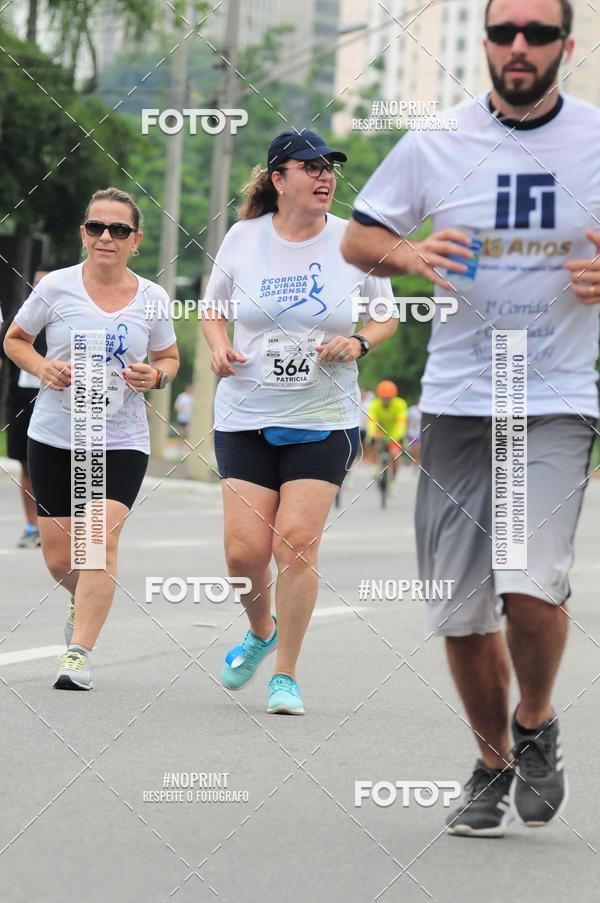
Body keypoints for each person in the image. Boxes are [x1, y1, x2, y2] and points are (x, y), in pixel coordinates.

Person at [342, 0, 598, 836]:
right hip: (456, 401)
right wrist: (410, 253)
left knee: (527, 587)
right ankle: (493, 760)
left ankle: (536, 724)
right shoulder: (435, 141)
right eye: (503, 32)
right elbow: (359, 238)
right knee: (459, 609)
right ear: (485, 44)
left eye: (536, 33)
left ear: (566, 43)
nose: (518, 47)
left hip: (551, 397)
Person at [202, 129, 397, 715]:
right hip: (246, 412)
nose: (324, 176)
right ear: (278, 179)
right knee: (242, 553)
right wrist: (217, 346)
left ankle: (285, 673)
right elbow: (213, 309)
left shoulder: (353, 242)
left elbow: (385, 316)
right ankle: (260, 631)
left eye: (330, 167)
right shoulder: (243, 238)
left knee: (297, 541)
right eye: (309, 167)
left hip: (324, 415)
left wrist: (359, 342)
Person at [4, 187, 179, 690]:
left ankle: (78, 653)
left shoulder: (152, 298)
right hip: (58, 435)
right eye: (96, 227)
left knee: (96, 541)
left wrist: (157, 376)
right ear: (84, 234)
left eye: (118, 230)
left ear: (135, 240)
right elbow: (15, 340)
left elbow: (170, 358)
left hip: (121, 438)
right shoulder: (55, 288)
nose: (106, 236)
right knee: (62, 558)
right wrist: (43, 367)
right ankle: (80, 600)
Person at [0, 264, 52, 548]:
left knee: (63, 465)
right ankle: (33, 526)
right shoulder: (19, 319)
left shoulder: (71, 316)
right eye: (36, 285)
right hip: (22, 403)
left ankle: (62, 526)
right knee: (27, 466)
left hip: (63, 403)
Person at [366, 381, 408, 482]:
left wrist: (399, 436)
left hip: (395, 432)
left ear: (394, 396)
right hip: (379, 430)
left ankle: (393, 479)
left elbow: (401, 423)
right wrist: (372, 435)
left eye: (389, 397)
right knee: (374, 443)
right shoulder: (374, 404)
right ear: (379, 396)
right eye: (383, 397)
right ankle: (376, 467)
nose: (386, 400)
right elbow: (372, 421)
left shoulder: (401, 404)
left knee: (395, 455)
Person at [406, 401, 422, 470]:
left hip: (420, 433)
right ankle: (413, 464)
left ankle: (417, 464)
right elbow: (407, 419)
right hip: (412, 433)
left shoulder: (424, 410)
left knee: (419, 450)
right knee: (413, 450)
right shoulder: (412, 410)